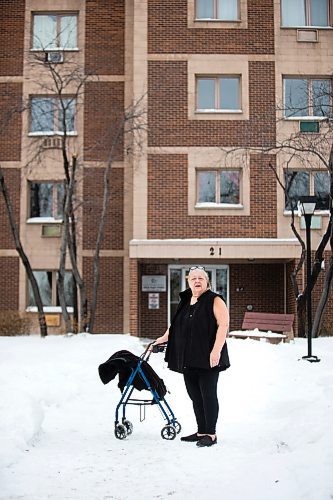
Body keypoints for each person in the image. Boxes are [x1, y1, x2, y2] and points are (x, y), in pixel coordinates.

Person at [152, 266, 230, 447]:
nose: (197, 281)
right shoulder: (186, 300)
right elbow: (176, 325)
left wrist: (216, 350)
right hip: (188, 358)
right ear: (188, 281)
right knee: (195, 396)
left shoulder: (215, 300)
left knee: (208, 395)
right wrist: (163, 339)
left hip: (209, 358)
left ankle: (211, 434)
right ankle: (201, 431)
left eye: (201, 278)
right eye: (193, 278)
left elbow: (223, 325)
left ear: (207, 282)